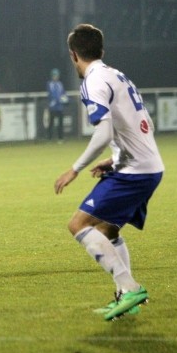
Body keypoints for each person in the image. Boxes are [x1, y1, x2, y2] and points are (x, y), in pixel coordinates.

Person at [54, 24, 164, 321]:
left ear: (73, 54)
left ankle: (130, 288)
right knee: (108, 229)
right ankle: (124, 297)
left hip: (135, 171)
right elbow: (144, 124)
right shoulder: (117, 75)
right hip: (147, 167)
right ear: (101, 50)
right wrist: (115, 160)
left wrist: (75, 169)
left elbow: (103, 132)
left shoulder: (93, 81)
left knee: (78, 224)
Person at [46, 68, 68, 142]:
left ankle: (60, 138)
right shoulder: (50, 84)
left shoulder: (60, 84)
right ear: (52, 76)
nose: (56, 77)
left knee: (60, 123)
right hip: (52, 106)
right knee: (51, 123)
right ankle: (49, 138)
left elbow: (63, 93)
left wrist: (65, 99)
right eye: (55, 75)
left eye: (57, 75)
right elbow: (51, 94)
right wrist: (56, 100)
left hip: (60, 107)